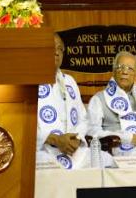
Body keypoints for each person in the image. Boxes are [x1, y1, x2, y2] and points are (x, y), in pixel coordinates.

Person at [36, 34, 92, 170]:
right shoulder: (29, 83)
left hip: (72, 150)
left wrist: (76, 139)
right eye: (52, 48)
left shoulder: (69, 82)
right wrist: (55, 140)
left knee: (104, 160)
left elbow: (84, 119)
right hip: (43, 150)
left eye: (60, 49)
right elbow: (23, 126)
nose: (56, 52)